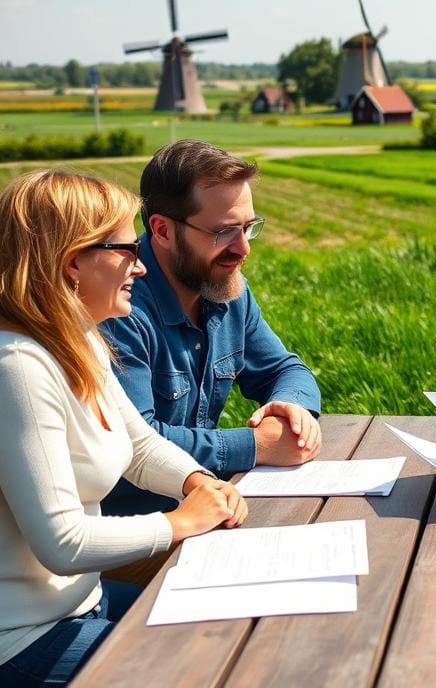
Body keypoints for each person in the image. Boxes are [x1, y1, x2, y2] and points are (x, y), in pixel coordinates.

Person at [0, 171, 248, 686]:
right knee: (217, 667)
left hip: (83, 603)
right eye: (126, 248)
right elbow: (63, 545)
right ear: (73, 263)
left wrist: (195, 481)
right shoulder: (16, 369)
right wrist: (181, 523)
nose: (139, 265)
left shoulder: (77, 339)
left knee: (238, 632)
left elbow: (137, 444)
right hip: (26, 638)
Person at [101, 140, 322, 517]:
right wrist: (257, 445)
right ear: (163, 230)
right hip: (140, 532)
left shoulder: (226, 288)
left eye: (248, 228)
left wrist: (293, 413)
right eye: (224, 232)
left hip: (210, 509)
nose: (243, 249)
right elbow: (139, 442)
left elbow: (285, 370)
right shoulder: (117, 307)